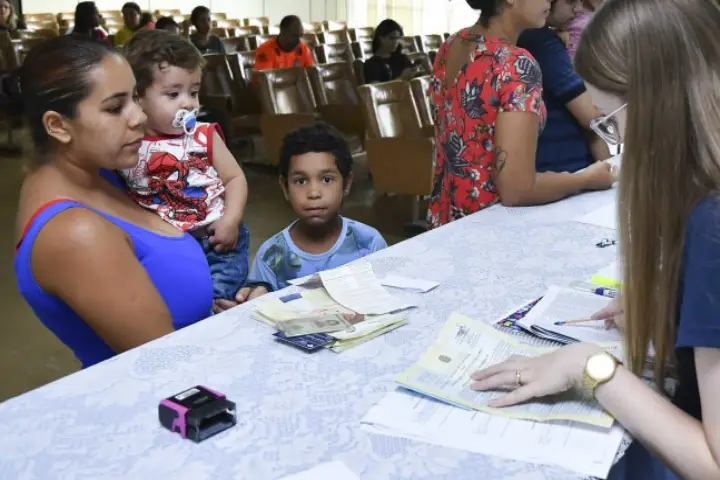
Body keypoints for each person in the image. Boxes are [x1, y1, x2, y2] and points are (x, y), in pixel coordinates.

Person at [470, 1, 720, 479]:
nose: (617, 140)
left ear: (657, 107)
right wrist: (670, 306)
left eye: (611, 120)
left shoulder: (711, 222)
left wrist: (591, 367)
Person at [14, 36, 213, 368]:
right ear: (58, 126)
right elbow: (167, 365)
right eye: (114, 108)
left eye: (135, 97)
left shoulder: (96, 172)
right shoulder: (75, 233)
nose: (139, 117)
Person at [427, 0, 614, 229]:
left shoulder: (451, 45)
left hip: (447, 219)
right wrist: (586, 179)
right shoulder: (515, 64)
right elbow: (518, 189)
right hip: (490, 225)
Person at [121, 29, 250, 302]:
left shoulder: (204, 135)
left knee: (216, 302)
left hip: (217, 239)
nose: (188, 103)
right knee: (178, 300)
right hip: (170, 246)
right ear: (138, 97)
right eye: (173, 94)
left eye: (193, 92)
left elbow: (235, 178)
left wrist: (231, 219)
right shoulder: (128, 144)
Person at [237, 122, 386, 301]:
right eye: (301, 181)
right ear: (285, 187)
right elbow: (259, 305)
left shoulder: (368, 244)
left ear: (346, 184)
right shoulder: (271, 256)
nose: (314, 193)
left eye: (327, 179)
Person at [517, 0, 610, 174]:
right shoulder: (541, 40)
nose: (578, 8)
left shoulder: (529, 37)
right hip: (569, 167)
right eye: (570, 1)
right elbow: (590, 118)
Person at [363, 19, 424, 84]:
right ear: (381, 39)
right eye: (391, 38)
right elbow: (375, 88)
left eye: (397, 38)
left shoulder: (402, 58)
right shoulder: (371, 64)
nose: (395, 42)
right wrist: (401, 79)